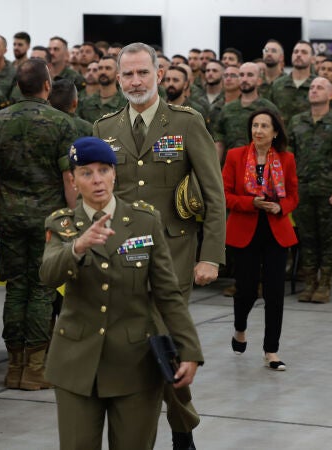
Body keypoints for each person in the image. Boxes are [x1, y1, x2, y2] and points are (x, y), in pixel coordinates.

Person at [93, 42, 225, 450]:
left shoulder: (186, 122)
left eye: (143, 73)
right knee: (137, 349)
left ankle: (181, 429)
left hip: (173, 256)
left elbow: (213, 193)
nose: (135, 81)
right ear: (118, 79)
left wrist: (211, 257)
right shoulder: (105, 128)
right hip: (120, 256)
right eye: (128, 74)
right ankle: (165, 427)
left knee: (164, 339)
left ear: (159, 75)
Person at [40, 136, 203, 450]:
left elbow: (168, 293)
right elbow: (47, 275)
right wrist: (77, 247)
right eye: (86, 173)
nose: (97, 179)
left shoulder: (145, 222)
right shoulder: (62, 225)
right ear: (73, 180)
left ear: (115, 174)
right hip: (76, 363)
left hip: (135, 364)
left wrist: (190, 351)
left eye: (104, 170)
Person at [0, 58, 78, 391]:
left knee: (14, 290)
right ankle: (35, 368)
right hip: (48, 222)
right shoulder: (61, 123)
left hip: (9, 218)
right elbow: (69, 177)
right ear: (47, 86)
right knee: (41, 291)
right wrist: (75, 217)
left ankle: (15, 366)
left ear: (17, 86)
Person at [223, 108, 297, 371]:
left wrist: (281, 207)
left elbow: (293, 195)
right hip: (245, 230)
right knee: (246, 290)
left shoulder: (286, 159)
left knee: (275, 293)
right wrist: (250, 202)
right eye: (255, 126)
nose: (259, 131)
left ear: (275, 132)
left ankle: (271, 350)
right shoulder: (235, 156)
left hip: (276, 231)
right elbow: (226, 194)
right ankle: (240, 328)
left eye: (265, 126)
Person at [288, 78, 332, 303]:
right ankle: (309, 283)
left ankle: (325, 284)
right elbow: (288, 157)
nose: (314, 91)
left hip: (330, 191)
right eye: (312, 88)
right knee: (307, 238)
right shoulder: (297, 121)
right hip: (303, 190)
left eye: (320, 88)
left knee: (328, 240)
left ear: (331, 95)